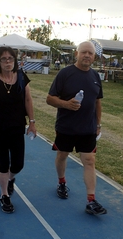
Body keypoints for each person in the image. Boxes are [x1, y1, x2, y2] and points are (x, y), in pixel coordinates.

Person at [46, 41, 106, 215]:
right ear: (76, 54)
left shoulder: (95, 76)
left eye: (90, 53)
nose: (87, 55)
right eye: (84, 52)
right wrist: (66, 104)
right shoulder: (65, 74)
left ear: (94, 57)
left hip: (88, 129)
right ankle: (62, 182)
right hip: (67, 127)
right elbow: (50, 98)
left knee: (89, 161)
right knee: (62, 155)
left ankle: (91, 200)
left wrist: (98, 123)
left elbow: (97, 102)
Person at [0, 46, 37, 214]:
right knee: (4, 163)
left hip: (17, 127)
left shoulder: (21, 78)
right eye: (3, 59)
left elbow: (28, 99)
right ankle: (4, 195)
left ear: (15, 60)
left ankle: (10, 179)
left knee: (18, 164)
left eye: (10, 58)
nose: (7, 61)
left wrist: (32, 122)